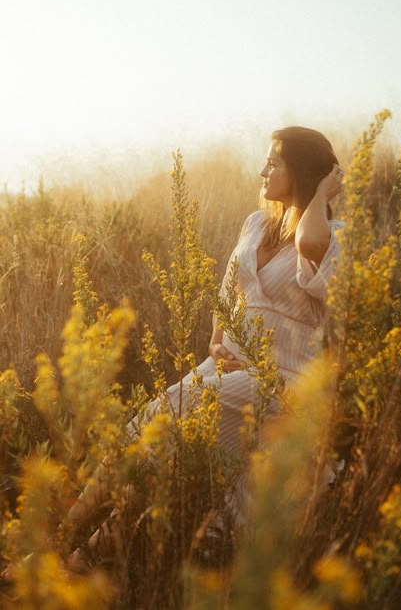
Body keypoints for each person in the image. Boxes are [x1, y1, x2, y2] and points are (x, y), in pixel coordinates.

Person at [2, 126, 344, 576]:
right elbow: (229, 288)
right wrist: (216, 341)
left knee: (161, 438)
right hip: (226, 372)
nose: (262, 170)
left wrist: (320, 194)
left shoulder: (333, 234)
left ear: (300, 171)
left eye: (274, 162)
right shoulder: (256, 223)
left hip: (281, 383)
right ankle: (63, 551)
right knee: (145, 442)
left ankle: (71, 558)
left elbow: (310, 244)